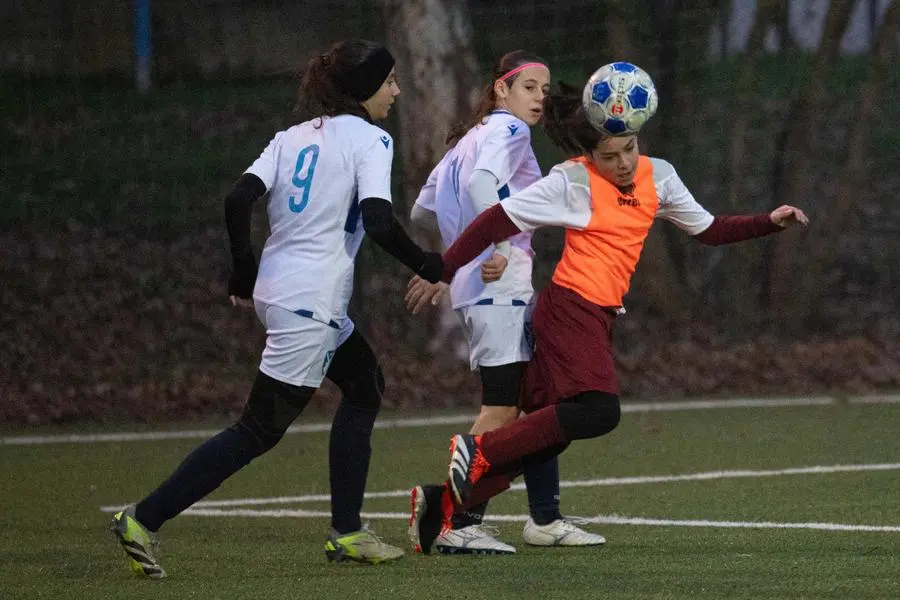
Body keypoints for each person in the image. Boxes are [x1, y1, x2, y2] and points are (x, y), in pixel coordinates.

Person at [408, 80, 809, 554]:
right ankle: (479, 453)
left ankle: (444, 510)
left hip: (597, 314)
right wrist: (443, 267)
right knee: (598, 411)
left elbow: (709, 229)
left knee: (546, 430)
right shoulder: (572, 180)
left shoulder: (659, 176)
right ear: (590, 155)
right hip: (567, 310)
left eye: (629, 150)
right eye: (610, 155)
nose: (622, 164)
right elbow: (495, 220)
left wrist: (768, 221)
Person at [109, 39, 445, 577]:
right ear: (365, 90)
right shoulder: (372, 140)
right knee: (257, 432)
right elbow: (379, 222)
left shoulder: (292, 138)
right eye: (390, 82)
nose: (397, 91)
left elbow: (237, 198)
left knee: (364, 384)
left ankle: (348, 532)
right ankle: (142, 518)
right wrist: (428, 263)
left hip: (280, 293)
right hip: (309, 304)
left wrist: (243, 268)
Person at [405, 51, 606, 554]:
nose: (539, 97)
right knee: (502, 407)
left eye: (543, 88)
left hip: (482, 289)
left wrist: (460, 250)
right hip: (498, 286)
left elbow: (422, 210)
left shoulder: (465, 141)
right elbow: (479, 187)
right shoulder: (508, 133)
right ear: (501, 90)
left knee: (536, 404)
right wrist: (495, 247)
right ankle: (451, 520)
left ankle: (544, 518)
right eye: (529, 87)